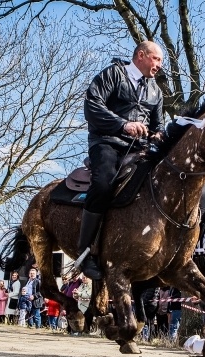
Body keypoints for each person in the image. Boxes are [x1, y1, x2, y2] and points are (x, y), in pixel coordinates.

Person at [74, 41, 165, 280]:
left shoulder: (156, 90)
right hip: (106, 143)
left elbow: (158, 126)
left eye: (161, 62)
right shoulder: (113, 74)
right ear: (141, 55)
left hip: (140, 149)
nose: (159, 66)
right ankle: (84, 253)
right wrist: (123, 125)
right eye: (156, 59)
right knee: (103, 182)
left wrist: (158, 135)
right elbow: (92, 106)